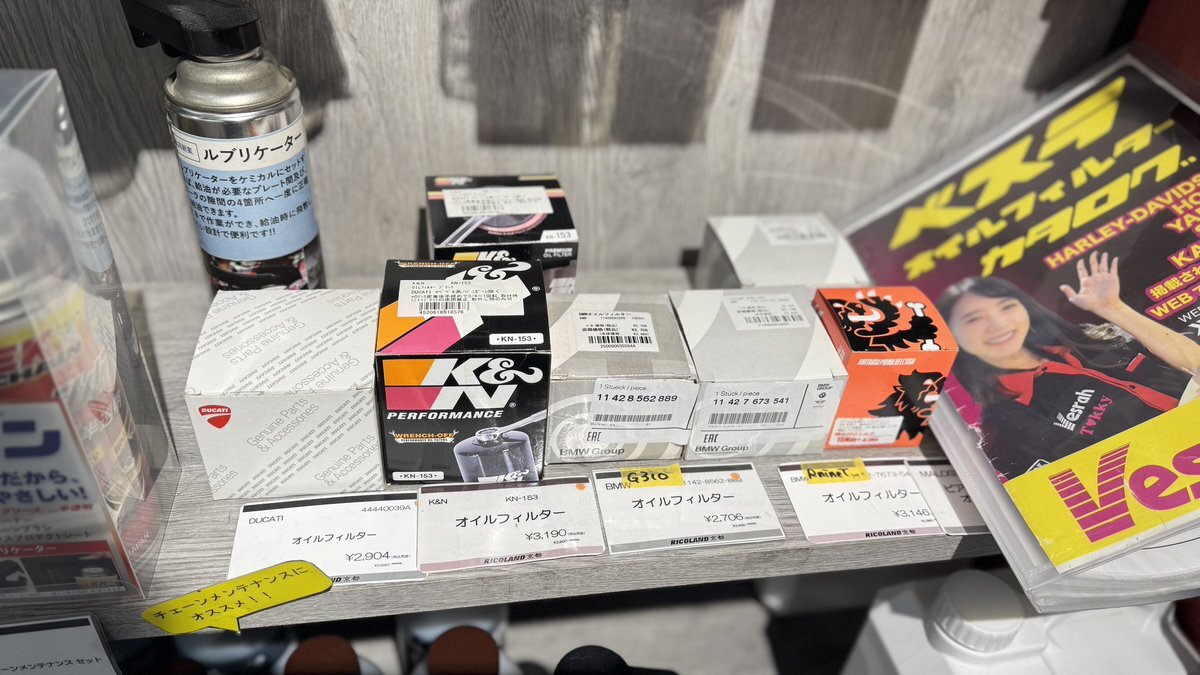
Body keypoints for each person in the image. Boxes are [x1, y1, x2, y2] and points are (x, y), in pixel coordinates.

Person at [937, 252, 1200, 480]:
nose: (998, 324)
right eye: (974, 319)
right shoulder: (1004, 429)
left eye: (1006, 307)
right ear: (952, 336)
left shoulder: (1090, 337)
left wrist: (1112, 308)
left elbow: (1194, 363)